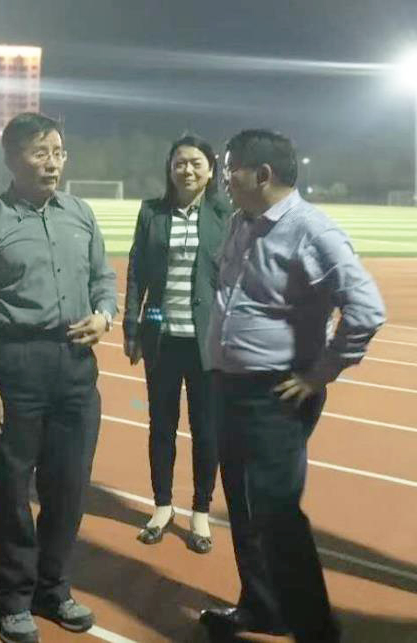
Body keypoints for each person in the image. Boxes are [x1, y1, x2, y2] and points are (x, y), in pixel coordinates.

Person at [199, 129, 386, 641]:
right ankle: (261, 607)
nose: (224, 177)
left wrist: (318, 374)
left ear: (262, 174)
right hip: (230, 387)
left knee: (277, 516)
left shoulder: (312, 232)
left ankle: (315, 631)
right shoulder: (241, 221)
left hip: (275, 396)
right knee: (242, 508)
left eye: (231, 167)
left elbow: (367, 310)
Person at [0, 112, 117, 643]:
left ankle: (53, 588)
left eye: (59, 152)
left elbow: (104, 278)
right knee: (9, 490)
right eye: (40, 153)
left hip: (76, 366)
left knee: (69, 487)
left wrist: (105, 314)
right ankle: (13, 599)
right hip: (16, 366)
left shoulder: (81, 214)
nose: (53, 163)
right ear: (11, 159)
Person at [123, 135, 230, 554]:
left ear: (210, 169)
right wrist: (134, 327)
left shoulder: (225, 214)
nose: (187, 170)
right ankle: (162, 506)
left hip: (208, 344)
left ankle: (200, 511)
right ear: (170, 168)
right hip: (162, 336)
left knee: (206, 430)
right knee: (162, 427)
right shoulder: (152, 212)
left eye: (196, 163)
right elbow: (138, 271)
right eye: (180, 163)